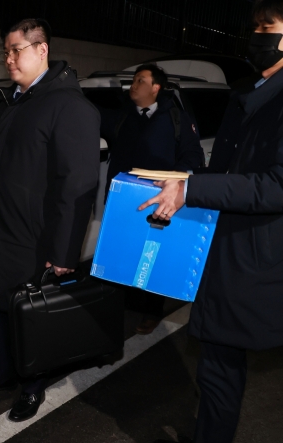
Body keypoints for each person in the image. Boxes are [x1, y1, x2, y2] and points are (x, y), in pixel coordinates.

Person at [142, 1, 283, 441]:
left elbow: (275, 186)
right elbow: (223, 172)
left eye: (268, 28)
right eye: (254, 28)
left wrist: (195, 190)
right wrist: (180, 180)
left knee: (222, 370)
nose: (257, 37)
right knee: (215, 372)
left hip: (255, 260)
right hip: (221, 253)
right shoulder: (246, 93)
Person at [0, 18, 100, 422]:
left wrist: (63, 251)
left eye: (16, 50)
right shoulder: (11, 103)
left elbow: (77, 186)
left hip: (34, 238)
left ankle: (32, 387)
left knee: (29, 317)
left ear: (42, 50)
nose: (8, 59)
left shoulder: (70, 106)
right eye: (5, 51)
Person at [102, 64, 204, 335]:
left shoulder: (175, 118)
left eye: (140, 80)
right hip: (124, 200)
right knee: (123, 249)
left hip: (158, 199)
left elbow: (193, 157)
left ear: (156, 87)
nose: (133, 85)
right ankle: (123, 303)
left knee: (152, 252)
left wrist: (176, 181)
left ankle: (152, 310)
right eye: (133, 80)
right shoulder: (123, 117)